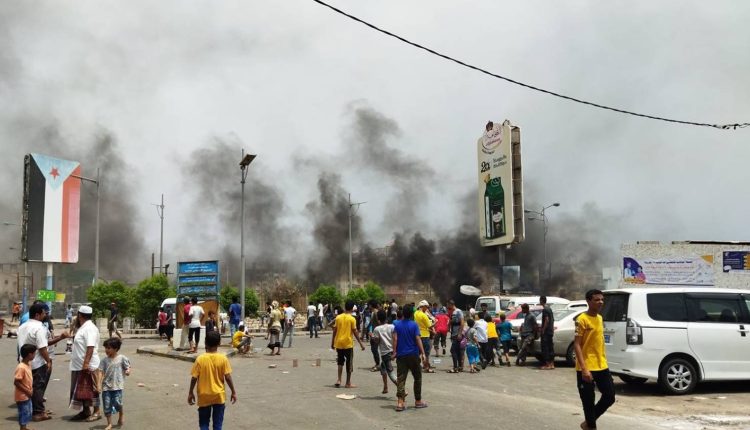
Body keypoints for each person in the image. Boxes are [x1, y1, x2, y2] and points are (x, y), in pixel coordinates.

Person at [17, 302, 66, 422]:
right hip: (37, 362)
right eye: (44, 313)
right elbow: (42, 347)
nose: (45, 315)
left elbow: (41, 343)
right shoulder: (39, 328)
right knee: (38, 387)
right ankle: (38, 412)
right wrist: (48, 361)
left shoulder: (22, 327)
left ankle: (35, 409)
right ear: (37, 315)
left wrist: (60, 337)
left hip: (24, 362)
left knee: (30, 386)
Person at [575, 289, 615, 430]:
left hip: (601, 365)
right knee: (588, 402)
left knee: (610, 396)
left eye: (602, 300)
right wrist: (584, 369)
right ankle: (591, 426)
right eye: (597, 300)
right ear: (588, 301)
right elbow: (577, 345)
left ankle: (588, 423)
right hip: (586, 367)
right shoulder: (581, 319)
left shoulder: (599, 318)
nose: (600, 302)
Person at [188, 331, 237, 430]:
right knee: (218, 425)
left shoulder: (200, 359)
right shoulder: (223, 358)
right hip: (219, 395)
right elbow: (228, 377)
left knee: (204, 424)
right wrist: (233, 392)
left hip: (204, 395)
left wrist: (190, 392)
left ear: (205, 343)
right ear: (219, 343)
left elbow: (194, 378)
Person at [392, 304, 428, 411]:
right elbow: (418, 339)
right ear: (412, 314)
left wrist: (394, 352)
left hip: (401, 355)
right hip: (413, 355)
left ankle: (400, 403)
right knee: (417, 378)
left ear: (403, 313)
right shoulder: (414, 325)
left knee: (401, 379)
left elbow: (395, 339)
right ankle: (418, 401)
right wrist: (423, 353)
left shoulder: (397, 325)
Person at [69, 305, 102, 422]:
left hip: (88, 365)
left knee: (92, 389)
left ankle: (97, 412)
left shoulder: (90, 328)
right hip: (78, 365)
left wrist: (86, 364)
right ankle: (85, 411)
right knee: (82, 389)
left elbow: (90, 347)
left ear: (80, 315)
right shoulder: (82, 328)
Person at [331, 300, 366, 388]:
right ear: (352, 308)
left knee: (340, 362)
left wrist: (332, 342)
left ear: (345, 307)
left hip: (339, 343)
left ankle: (339, 380)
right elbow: (355, 332)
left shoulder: (338, 317)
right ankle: (348, 383)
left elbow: (334, 331)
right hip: (348, 344)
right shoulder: (352, 319)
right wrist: (361, 343)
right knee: (349, 363)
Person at [99, 338, 131, 430]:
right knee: (107, 405)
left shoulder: (122, 358)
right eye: (105, 348)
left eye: (109, 348)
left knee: (118, 403)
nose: (106, 350)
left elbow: (128, 367)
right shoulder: (104, 361)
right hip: (106, 387)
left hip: (117, 386)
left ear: (116, 348)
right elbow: (100, 372)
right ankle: (109, 424)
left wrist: (128, 371)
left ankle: (121, 414)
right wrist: (98, 384)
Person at [371, 310, 397, 394]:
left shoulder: (377, 329)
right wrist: (395, 351)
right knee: (383, 368)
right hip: (392, 350)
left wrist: (372, 337)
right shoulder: (392, 326)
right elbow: (395, 339)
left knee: (390, 373)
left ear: (378, 320)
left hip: (385, 352)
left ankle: (402, 389)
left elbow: (377, 341)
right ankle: (385, 387)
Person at [15, 344, 36, 430]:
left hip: (27, 395)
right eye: (34, 353)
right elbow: (17, 382)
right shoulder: (21, 367)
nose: (35, 355)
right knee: (24, 413)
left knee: (28, 412)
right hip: (22, 396)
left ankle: (24, 428)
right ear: (30, 354)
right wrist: (27, 391)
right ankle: (22, 428)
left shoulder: (28, 365)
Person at [414, 300, 435, 373]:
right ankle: (426, 367)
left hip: (417, 335)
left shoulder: (416, 313)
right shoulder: (424, 315)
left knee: (418, 352)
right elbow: (429, 326)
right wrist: (436, 322)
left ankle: (416, 366)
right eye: (426, 307)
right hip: (425, 336)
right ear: (423, 307)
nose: (427, 308)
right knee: (426, 353)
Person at [446, 300, 464, 373]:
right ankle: (459, 367)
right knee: (457, 350)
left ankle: (455, 368)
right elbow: (452, 321)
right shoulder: (452, 312)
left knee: (453, 350)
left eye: (448, 305)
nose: (447, 306)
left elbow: (462, 323)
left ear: (451, 304)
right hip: (454, 334)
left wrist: (459, 333)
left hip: (457, 334)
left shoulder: (458, 311)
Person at [539, 295, 556, 370]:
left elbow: (547, 320)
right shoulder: (550, 309)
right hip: (550, 331)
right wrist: (552, 329)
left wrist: (543, 329)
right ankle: (552, 364)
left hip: (546, 332)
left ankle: (547, 364)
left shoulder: (545, 309)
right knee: (550, 347)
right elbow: (552, 320)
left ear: (541, 300)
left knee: (545, 347)